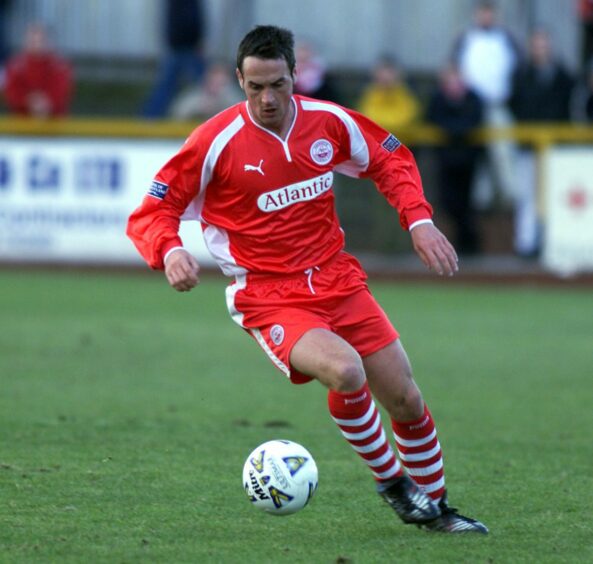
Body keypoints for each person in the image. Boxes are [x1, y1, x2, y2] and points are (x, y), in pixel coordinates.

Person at [127, 25, 488, 535]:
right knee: (345, 370)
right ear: (239, 80)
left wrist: (420, 220)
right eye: (254, 87)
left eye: (277, 84)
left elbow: (388, 157)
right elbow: (154, 209)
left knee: (405, 397)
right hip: (269, 295)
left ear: (295, 75)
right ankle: (395, 486)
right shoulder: (215, 141)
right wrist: (168, 251)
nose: (267, 98)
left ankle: (438, 509)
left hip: (338, 279)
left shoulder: (328, 122)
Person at [509, 29, 575, 257]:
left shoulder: (562, 75)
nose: (541, 49)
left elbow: (566, 110)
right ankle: (526, 244)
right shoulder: (521, 74)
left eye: (544, 44)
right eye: (537, 44)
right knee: (526, 195)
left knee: (555, 194)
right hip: (527, 146)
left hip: (555, 147)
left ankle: (551, 241)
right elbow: (515, 106)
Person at [451, 0, 521, 208]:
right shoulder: (466, 39)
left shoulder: (506, 39)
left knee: (504, 151)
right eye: (483, 13)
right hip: (471, 108)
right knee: (477, 156)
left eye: (490, 13)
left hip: (498, 105)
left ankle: (511, 196)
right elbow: (455, 71)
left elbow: (517, 72)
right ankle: (480, 199)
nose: (486, 17)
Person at [427, 65, 484, 255]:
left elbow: (473, 123)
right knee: (449, 203)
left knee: (468, 205)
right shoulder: (438, 100)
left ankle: (470, 245)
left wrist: (453, 131)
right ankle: (462, 243)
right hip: (446, 160)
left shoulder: (474, 99)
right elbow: (432, 120)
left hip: (468, 160)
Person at [142, 0, 206, 118]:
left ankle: (150, 117)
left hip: (181, 44)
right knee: (206, 84)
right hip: (185, 45)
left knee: (167, 86)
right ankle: (150, 117)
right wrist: (197, 40)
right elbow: (188, 19)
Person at [3, 23, 73, 117]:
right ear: (25, 41)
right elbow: (12, 93)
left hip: (54, 123)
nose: (37, 44)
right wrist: (29, 101)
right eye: (33, 39)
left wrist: (45, 103)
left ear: (50, 41)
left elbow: (61, 93)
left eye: (41, 40)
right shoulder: (14, 65)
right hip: (20, 124)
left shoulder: (60, 66)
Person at [357, 54, 421, 132]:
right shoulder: (369, 94)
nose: (386, 76)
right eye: (381, 72)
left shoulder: (406, 95)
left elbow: (406, 122)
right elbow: (367, 119)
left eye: (390, 72)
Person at [169, 60, 243, 121]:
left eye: (223, 75)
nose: (217, 79)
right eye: (214, 73)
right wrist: (199, 108)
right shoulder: (193, 96)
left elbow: (242, 117)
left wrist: (219, 106)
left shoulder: (235, 97)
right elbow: (177, 116)